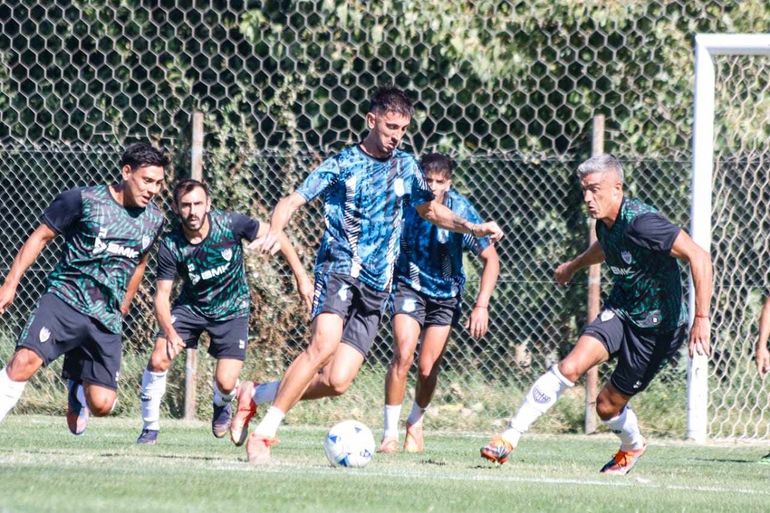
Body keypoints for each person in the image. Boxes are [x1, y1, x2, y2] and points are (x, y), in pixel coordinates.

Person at [230, 86, 504, 464]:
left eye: (403, 130)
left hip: (378, 286)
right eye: (391, 126)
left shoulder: (407, 166)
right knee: (323, 345)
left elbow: (431, 211)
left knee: (338, 381)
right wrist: (276, 230)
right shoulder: (342, 164)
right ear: (371, 120)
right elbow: (293, 200)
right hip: (340, 269)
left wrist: (470, 228)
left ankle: (256, 395)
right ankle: (265, 433)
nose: (396, 136)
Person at [480, 154, 712, 474]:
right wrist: (573, 266)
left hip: (658, 328)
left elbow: (699, 257)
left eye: (595, 190)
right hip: (621, 309)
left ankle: (632, 446)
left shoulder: (643, 222)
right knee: (570, 366)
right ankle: (508, 437)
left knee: (606, 406)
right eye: (584, 191)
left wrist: (701, 318)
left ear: (617, 187)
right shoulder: (604, 222)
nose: (588, 198)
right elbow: (605, 248)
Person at [0, 143, 168, 435]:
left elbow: (141, 260)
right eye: (147, 180)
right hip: (65, 300)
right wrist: (10, 283)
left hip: (106, 315)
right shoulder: (83, 199)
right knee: (24, 362)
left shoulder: (154, 220)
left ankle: (77, 384)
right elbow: (40, 237)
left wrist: (126, 300)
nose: (153, 189)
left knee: (103, 404)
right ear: (126, 172)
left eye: (158, 183)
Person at [135, 179, 313, 445]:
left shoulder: (230, 224)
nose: (193, 211)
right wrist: (170, 332)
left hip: (232, 309)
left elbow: (278, 236)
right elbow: (162, 296)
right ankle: (149, 428)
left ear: (208, 203)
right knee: (159, 357)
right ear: (175, 207)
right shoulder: (171, 245)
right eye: (185, 205)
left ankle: (222, 402)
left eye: (198, 204)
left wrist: (301, 278)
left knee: (227, 382)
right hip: (191, 308)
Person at [377, 153, 499, 454]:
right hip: (409, 286)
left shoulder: (460, 208)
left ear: (450, 183)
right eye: (427, 180)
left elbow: (491, 260)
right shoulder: (408, 201)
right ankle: (389, 434)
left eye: (439, 182)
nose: (432, 187)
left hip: (446, 295)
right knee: (403, 354)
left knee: (428, 367)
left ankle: (415, 422)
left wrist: (481, 305)